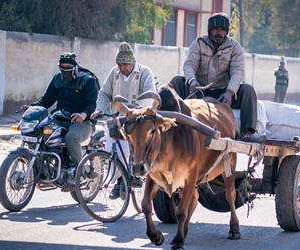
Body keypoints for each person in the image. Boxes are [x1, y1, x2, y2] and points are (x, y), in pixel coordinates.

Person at [170, 12, 263, 143]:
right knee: (176, 81)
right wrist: (192, 82)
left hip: (223, 94)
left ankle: (247, 132)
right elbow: (189, 65)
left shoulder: (234, 47)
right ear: (210, 30)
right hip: (198, 91)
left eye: (222, 30)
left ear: (226, 32)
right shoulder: (198, 43)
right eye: (216, 29)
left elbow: (237, 72)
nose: (219, 33)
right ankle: (165, 124)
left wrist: (230, 93)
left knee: (248, 90)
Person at [21, 52, 98, 185]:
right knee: (40, 135)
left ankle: (80, 174)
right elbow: (46, 100)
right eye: (62, 66)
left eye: (69, 66)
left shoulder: (87, 80)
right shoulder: (58, 79)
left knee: (71, 138)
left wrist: (83, 114)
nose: (65, 69)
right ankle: (42, 171)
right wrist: (31, 107)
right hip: (59, 118)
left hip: (82, 122)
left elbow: (92, 104)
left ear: (75, 66)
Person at [91, 42, 156, 199]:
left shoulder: (145, 72)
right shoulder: (114, 73)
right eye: (119, 64)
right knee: (111, 148)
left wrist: (138, 106)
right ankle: (119, 180)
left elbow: (150, 95)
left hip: (138, 120)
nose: (122, 68)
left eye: (125, 64)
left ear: (132, 62)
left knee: (127, 148)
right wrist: (99, 109)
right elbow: (105, 93)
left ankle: (125, 178)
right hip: (118, 118)